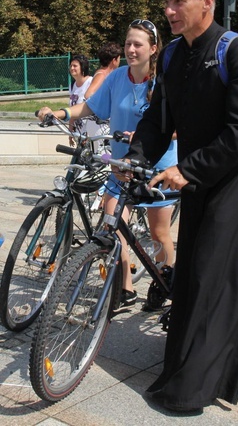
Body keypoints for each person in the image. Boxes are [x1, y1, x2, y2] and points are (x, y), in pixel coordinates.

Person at [119, 0, 238, 412]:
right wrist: (137, 156)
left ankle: (193, 383)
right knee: (199, 263)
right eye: (167, 1)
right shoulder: (171, 54)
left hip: (236, 179)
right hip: (195, 175)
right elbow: (159, 118)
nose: (169, 10)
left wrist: (190, 170)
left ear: (207, 2)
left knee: (211, 270)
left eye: (178, 1)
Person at [37, 20, 177, 308]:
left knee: (158, 233)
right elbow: (90, 106)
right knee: (110, 227)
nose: (131, 49)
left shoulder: (162, 81)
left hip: (157, 165)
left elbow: (179, 126)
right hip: (121, 166)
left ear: (153, 49)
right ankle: (124, 289)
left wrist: (146, 134)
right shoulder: (116, 78)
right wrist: (61, 112)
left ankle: (165, 281)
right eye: (128, 43)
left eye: (138, 44)